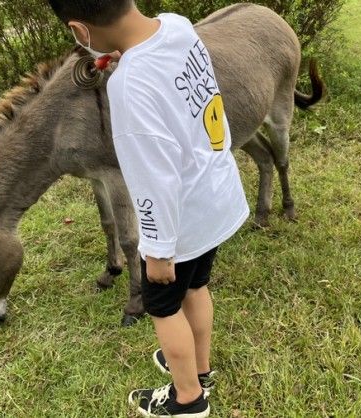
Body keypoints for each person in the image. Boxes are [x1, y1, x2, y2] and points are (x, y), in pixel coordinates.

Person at [48, 1, 250, 417]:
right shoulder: (177, 27)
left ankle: (188, 397)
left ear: (79, 30)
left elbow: (153, 178)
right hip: (216, 194)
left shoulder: (129, 87)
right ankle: (201, 367)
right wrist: (127, 59)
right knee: (197, 286)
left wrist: (157, 251)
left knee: (164, 307)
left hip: (181, 221)